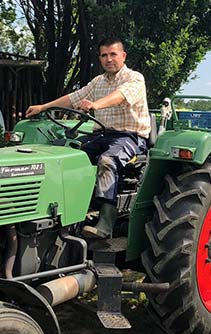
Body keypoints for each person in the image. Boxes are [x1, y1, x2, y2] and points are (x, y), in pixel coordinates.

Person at [26, 37, 150, 239]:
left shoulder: (134, 78)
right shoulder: (98, 81)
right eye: (104, 55)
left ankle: (105, 223)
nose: (109, 59)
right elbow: (73, 98)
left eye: (113, 54)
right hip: (101, 134)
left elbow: (120, 96)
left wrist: (96, 105)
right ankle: (65, 212)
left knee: (108, 160)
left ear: (123, 56)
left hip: (129, 137)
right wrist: (43, 107)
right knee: (64, 154)